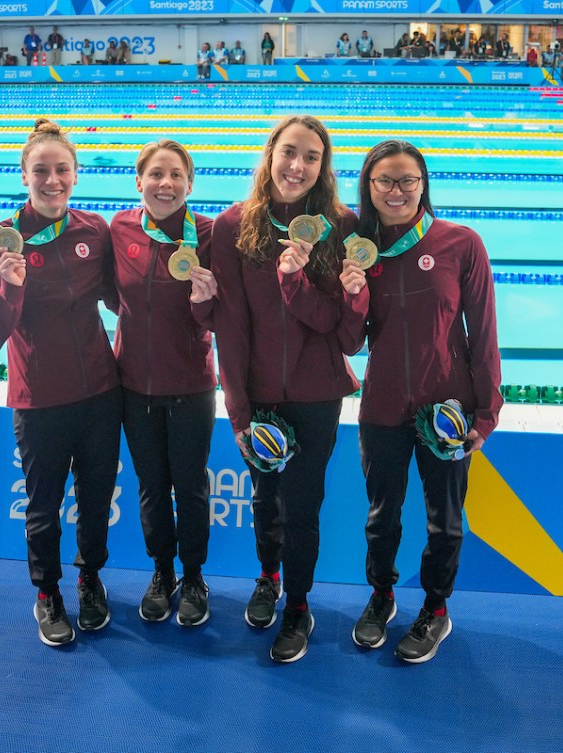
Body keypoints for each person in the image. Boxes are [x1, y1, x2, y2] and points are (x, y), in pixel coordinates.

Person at [340, 140, 501, 664]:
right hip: (382, 404)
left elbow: (484, 332)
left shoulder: (460, 244)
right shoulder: (358, 250)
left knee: (445, 519)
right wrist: (353, 291)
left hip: (446, 408)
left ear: (424, 184)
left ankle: (435, 608)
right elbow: (350, 340)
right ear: (368, 187)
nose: (397, 190)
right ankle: (381, 596)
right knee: (381, 515)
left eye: (408, 180)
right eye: (384, 180)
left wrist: (486, 410)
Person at [211, 116, 361, 663]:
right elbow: (230, 326)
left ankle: (298, 604)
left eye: (312, 157)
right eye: (289, 152)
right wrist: (239, 410)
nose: (298, 166)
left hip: (317, 394)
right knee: (264, 499)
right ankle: (268, 578)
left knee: (303, 506)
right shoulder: (232, 228)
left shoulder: (341, 226)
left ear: (324, 166)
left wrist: (294, 281)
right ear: (270, 153)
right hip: (259, 397)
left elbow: (345, 331)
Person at [0, 119, 121, 647]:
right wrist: (12, 287)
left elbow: (116, 298)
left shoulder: (94, 231)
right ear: (24, 175)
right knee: (43, 504)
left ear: (76, 175)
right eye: (41, 170)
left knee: (97, 498)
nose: (52, 180)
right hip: (38, 401)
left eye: (62, 170)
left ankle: (90, 578)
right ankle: (47, 593)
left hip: (101, 395)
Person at [109, 140, 218, 627]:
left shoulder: (209, 234)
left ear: (190, 184)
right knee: (152, 487)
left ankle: (194, 576)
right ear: (139, 181)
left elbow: (222, 315)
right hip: (134, 385)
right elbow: (114, 298)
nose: (166, 183)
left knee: (190, 487)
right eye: (156, 174)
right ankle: (162, 572)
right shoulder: (120, 229)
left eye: (176, 175)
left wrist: (203, 302)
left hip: (191, 383)